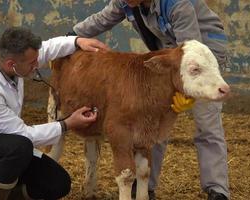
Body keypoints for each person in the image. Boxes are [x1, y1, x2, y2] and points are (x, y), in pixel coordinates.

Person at [69, 0, 230, 199]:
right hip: (170, 54)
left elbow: (192, 49)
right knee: (152, 116)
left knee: (206, 121)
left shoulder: (177, 5)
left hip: (202, 53)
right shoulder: (126, 1)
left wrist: (186, 93)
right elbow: (102, 19)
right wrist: (69, 38)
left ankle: (217, 190)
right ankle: (146, 186)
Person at [0, 27, 109, 200]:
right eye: (33, 63)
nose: (37, 65)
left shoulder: (4, 54)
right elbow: (23, 135)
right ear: (12, 64)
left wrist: (76, 41)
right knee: (19, 147)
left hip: (2, 144)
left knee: (58, 183)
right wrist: (67, 124)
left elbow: (46, 50)